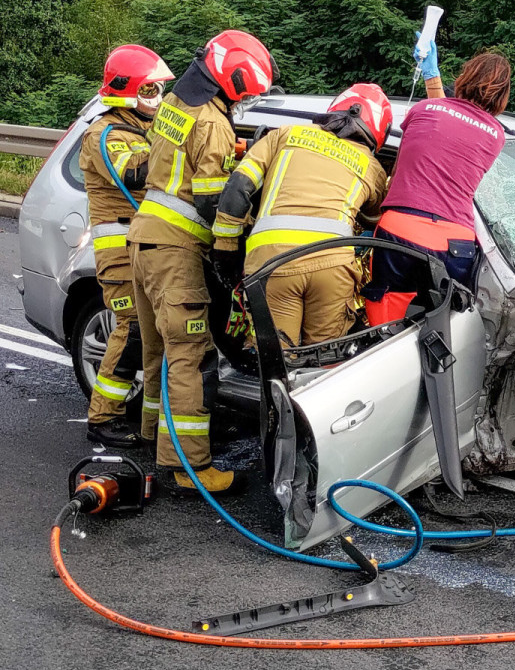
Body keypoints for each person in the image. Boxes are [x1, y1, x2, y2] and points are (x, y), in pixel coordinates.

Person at [126, 30, 277, 496]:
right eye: (247, 93)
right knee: (191, 356)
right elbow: (215, 202)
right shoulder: (214, 123)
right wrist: (236, 242)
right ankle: (190, 467)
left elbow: (177, 160)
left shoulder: (176, 102)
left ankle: (153, 436)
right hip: (177, 250)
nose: (248, 100)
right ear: (233, 80)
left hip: (144, 238)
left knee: (158, 350)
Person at [210, 83, 391, 346]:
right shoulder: (373, 167)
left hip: (273, 262)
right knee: (325, 361)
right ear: (378, 131)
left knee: (277, 360)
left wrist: (225, 251)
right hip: (332, 264)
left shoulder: (283, 133)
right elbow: (374, 220)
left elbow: (238, 188)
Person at [361, 41, 511, 325]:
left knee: (384, 327)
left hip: (400, 231)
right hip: (455, 243)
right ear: (503, 96)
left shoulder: (424, 109)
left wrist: (432, 75)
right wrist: (433, 78)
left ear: (464, 78)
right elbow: (458, 125)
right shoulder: (496, 135)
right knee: (447, 331)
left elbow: (439, 119)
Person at [79, 45, 175, 448]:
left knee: (157, 334)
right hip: (120, 254)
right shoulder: (104, 135)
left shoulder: (140, 130)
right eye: (151, 89)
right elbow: (136, 172)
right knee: (132, 329)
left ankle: (153, 421)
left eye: (160, 90)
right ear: (127, 92)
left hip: (148, 249)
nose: (158, 98)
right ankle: (101, 416)